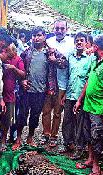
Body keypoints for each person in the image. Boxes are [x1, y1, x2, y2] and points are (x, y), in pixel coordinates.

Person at [74, 34, 103, 175]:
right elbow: (89, 81)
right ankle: (89, 160)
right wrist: (80, 100)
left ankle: (96, 166)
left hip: (99, 107)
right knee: (88, 135)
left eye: (91, 45)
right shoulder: (95, 59)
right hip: (88, 105)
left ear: (96, 47)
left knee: (97, 137)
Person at [12, 26, 62, 150]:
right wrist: (22, 80)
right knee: (22, 115)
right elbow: (20, 70)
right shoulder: (27, 52)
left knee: (35, 116)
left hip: (41, 91)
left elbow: (64, 63)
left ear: (44, 36)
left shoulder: (50, 52)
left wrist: (54, 60)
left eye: (39, 35)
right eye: (34, 35)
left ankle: (30, 138)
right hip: (26, 90)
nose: (36, 38)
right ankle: (18, 138)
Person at [61, 32, 95, 158]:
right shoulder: (71, 57)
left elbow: (88, 79)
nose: (79, 43)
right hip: (70, 94)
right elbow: (68, 76)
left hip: (82, 96)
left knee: (80, 123)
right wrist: (64, 94)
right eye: (77, 41)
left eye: (82, 40)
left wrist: (81, 98)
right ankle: (67, 144)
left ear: (86, 43)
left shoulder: (91, 58)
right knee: (67, 121)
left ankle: (79, 148)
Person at [42, 18, 73, 148]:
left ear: (66, 29)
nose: (59, 31)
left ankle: (54, 136)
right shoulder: (48, 42)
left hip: (62, 83)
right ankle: (46, 134)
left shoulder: (72, 44)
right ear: (53, 29)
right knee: (46, 110)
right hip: (48, 83)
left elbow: (69, 63)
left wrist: (56, 60)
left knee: (57, 112)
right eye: (57, 28)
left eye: (62, 28)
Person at [0, 43, 26, 151]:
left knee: (9, 117)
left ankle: (7, 138)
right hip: (0, 92)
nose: (6, 52)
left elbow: (23, 74)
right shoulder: (1, 58)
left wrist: (13, 68)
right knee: (1, 117)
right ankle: (2, 139)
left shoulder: (18, 59)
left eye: (9, 50)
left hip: (11, 94)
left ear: (14, 51)